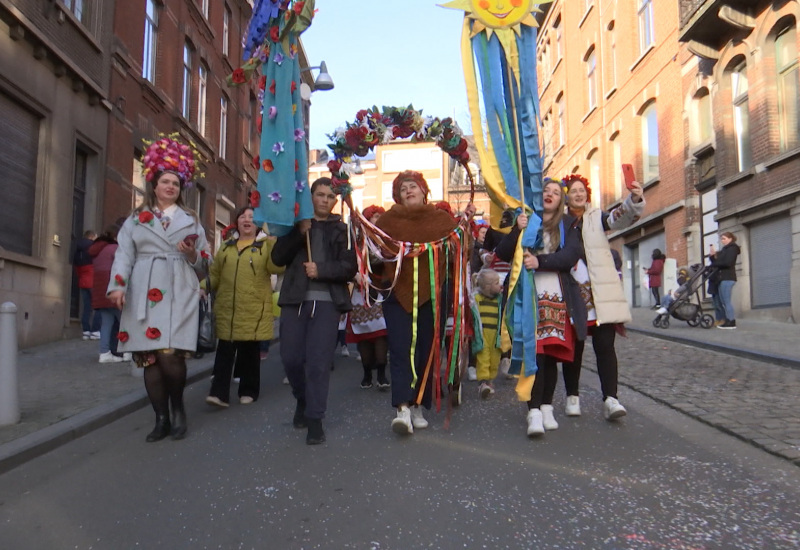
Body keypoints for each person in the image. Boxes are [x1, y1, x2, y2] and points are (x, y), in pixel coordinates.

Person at [108, 137, 210, 443]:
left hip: (179, 288)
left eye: (176, 184)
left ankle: (178, 409)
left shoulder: (190, 220)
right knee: (149, 358)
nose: (171, 188)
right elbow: (123, 254)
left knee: (171, 355)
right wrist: (117, 287)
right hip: (143, 288)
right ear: (154, 185)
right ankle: (160, 418)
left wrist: (191, 254)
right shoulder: (136, 219)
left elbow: (206, 261)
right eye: (166, 182)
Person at [375, 170, 475, 435]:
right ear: (397, 195)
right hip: (397, 293)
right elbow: (373, 251)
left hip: (433, 294)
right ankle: (403, 408)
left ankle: (419, 404)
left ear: (423, 190)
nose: (409, 191)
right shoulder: (387, 221)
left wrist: (466, 226)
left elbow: (459, 251)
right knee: (400, 348)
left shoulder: (440, 220)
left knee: (426, 350)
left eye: (413, 186)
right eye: (403, 188)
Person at [495, 179, 586, 436]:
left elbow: (571, 255)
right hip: (527, 297)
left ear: (561, 201)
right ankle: (533, 411)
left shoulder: (567, 224)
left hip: (556, 297)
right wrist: (517, 229)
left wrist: (541, 261)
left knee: (551, 357)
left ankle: (547, 406)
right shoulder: (526, 217)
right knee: (535, 355)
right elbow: (501, 253)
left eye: (556, 193)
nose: (550, 194)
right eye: (546, 190)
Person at [271, 177, 358, 445]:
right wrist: (299, 232)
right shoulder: (295, 226)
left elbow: (349, 267)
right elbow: (277, 259)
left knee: (318, 362)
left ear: (335, 202)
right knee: (291, 358)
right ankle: (302, 398)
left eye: (330, 197)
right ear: (310, 197)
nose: (325, 200)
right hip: (295, 301)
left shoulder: (342, 230)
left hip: (327, 303)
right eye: (320, 195)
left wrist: (322, 270)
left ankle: (315, 418)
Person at [561, 173, 645, 421]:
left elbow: (619, 218)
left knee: (605, 346)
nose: (578, 194)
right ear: (566, 195)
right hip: (573, 292)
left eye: (581, 190)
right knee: (574, 348)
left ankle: (611, 398)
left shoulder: (597, 217)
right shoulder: (559, 222)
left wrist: (635, 198)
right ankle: (572, 396)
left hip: (600, 293)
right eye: (573, 190)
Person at [205, 206, 283, 408]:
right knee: (224, 351)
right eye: (243, 217)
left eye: (251, 217)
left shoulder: (264, 245)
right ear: (236, 221)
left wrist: (274, 245)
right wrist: (201, 288)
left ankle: (248, 390)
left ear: (257, 223)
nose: (247, 220)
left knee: (249, 351)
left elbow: (276, 268)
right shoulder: (226, 246)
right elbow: (215, 274)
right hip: (227, 308)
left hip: (253, 308)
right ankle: (218, 394)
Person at [349, 204, 390, 391]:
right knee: (363, 335)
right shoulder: (357, 240)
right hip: (360, 292)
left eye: (381, 216)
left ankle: (381, 373)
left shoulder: (386, 240)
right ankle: (367, 373)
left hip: (380, 291)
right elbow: (349, 260)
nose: (378, 219)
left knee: (381, 333)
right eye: (375, 216)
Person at [89, 221, 129, 363]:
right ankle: (127, 351)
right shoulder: (115, 249)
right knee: (125, 321)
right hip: (113, 290)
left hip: (100, 292)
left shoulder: (99, 250)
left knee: (106, 323)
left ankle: (104, 352)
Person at [472, 269, 503, 399]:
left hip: (495, 335)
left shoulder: (500, 300)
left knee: (495, 359)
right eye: (496, 283)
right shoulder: (476, 299)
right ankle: (483, 382)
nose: (500, 285)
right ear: (487, 287)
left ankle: (490, 381)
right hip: (482, 334)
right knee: (483, 358)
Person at [709, 232, 740, 329]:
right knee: (722, 300)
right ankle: (726, 320)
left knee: (726, 301)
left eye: (724, 238)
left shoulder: (732, 249)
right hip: (722, 278)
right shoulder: (724, 250)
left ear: (730, 239)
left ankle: (731, 321)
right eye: (721, 239)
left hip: (727, 277)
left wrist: (715, 263)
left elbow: (728, 262)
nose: (722, 241)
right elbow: (717, 262)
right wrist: (713, 256)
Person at [75, 230, 100, 340]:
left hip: (83, 280)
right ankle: (95, 330)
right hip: (93, 279)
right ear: (92, 236)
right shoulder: (94, 247)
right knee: (99, 307)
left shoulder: (77, 249)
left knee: (87, 307)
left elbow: (76, 267)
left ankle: (86, 331)